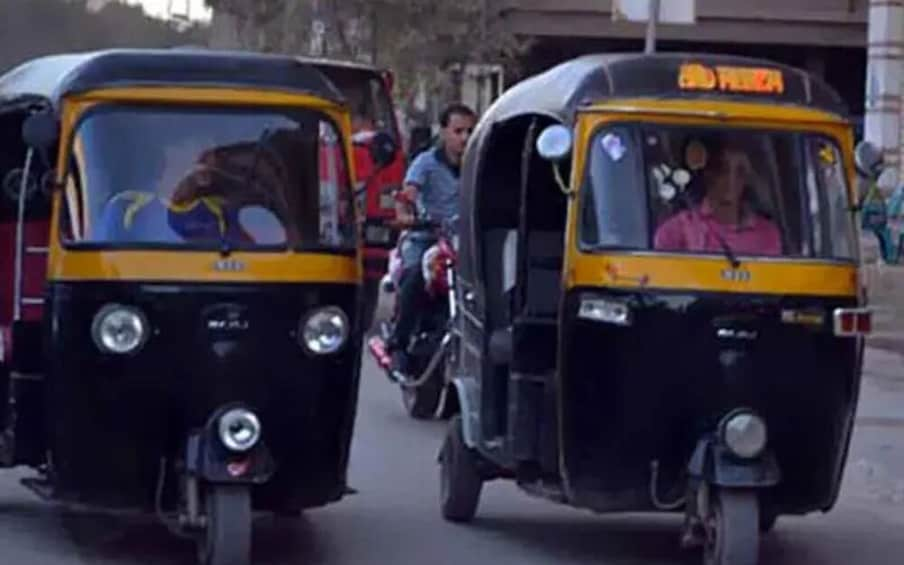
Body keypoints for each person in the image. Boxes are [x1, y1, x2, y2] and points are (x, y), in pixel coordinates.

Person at [386, 103, 477, 376]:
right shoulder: (426, 162)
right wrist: (405, 214)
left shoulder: (479, 163)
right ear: (444, 132)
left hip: (467, 241)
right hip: (428, 238)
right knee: (415, 276)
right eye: (458, 131)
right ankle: (398, 346)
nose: (465, 138)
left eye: (470, 131)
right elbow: (407, 195)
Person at [653, 143, 782, 256]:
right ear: (708, 174)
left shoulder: (767, 234)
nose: (731, 180)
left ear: (747, 179)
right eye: (723, 170)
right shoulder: (676, 230)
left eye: (740, 172)